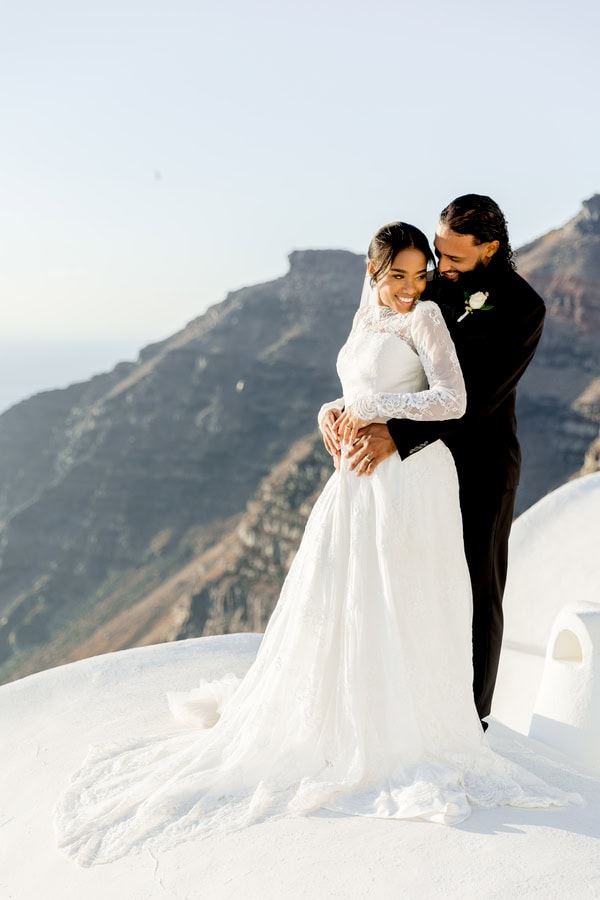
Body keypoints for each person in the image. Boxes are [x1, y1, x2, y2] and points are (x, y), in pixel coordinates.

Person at [55, 222, 571, 867]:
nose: (424, 279)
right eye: (407, 272)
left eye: (436, 264)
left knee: (450, 586)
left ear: (488, 248)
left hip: (444, 465)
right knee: (351, 585)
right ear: (373, 274)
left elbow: (459, 397)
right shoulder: (409, 299)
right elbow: (364, 381)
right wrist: (334, 411)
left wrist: (380, 417)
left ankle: (454, 719)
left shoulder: (484, 307)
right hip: (366, 473)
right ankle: (351, 704)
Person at [343, 196, 545, 728]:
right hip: (419, 469)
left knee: (477, 588)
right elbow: (383, 361)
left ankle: (471, 718)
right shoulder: (429, 285)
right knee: (418, 578)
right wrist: (339, 408)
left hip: (481, 466)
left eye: (454, 259)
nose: (440, 269)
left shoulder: (524, 308)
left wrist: (396, 434)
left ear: (490, 249)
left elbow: (476, 399)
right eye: (439, 254)